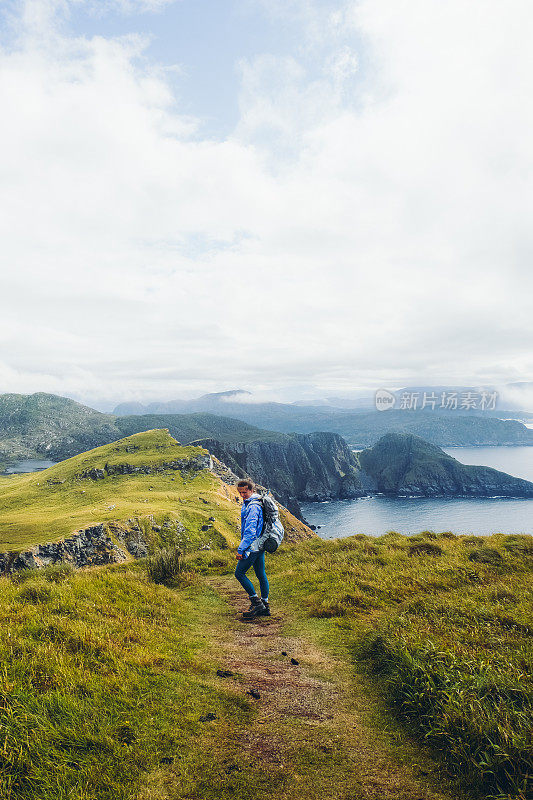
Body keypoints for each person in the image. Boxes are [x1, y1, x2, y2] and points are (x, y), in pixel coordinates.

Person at [235, 479, 270, 619]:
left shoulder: (253, 507)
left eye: (245, 492)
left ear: (251, 490)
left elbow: (250, 532)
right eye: (240, 492)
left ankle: (256, 604)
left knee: (239, 573)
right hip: (260, 544)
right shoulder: (255, 502)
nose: (242, 495)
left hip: (253, 546)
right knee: (261, 574)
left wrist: (240, 550)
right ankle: (265, 605)